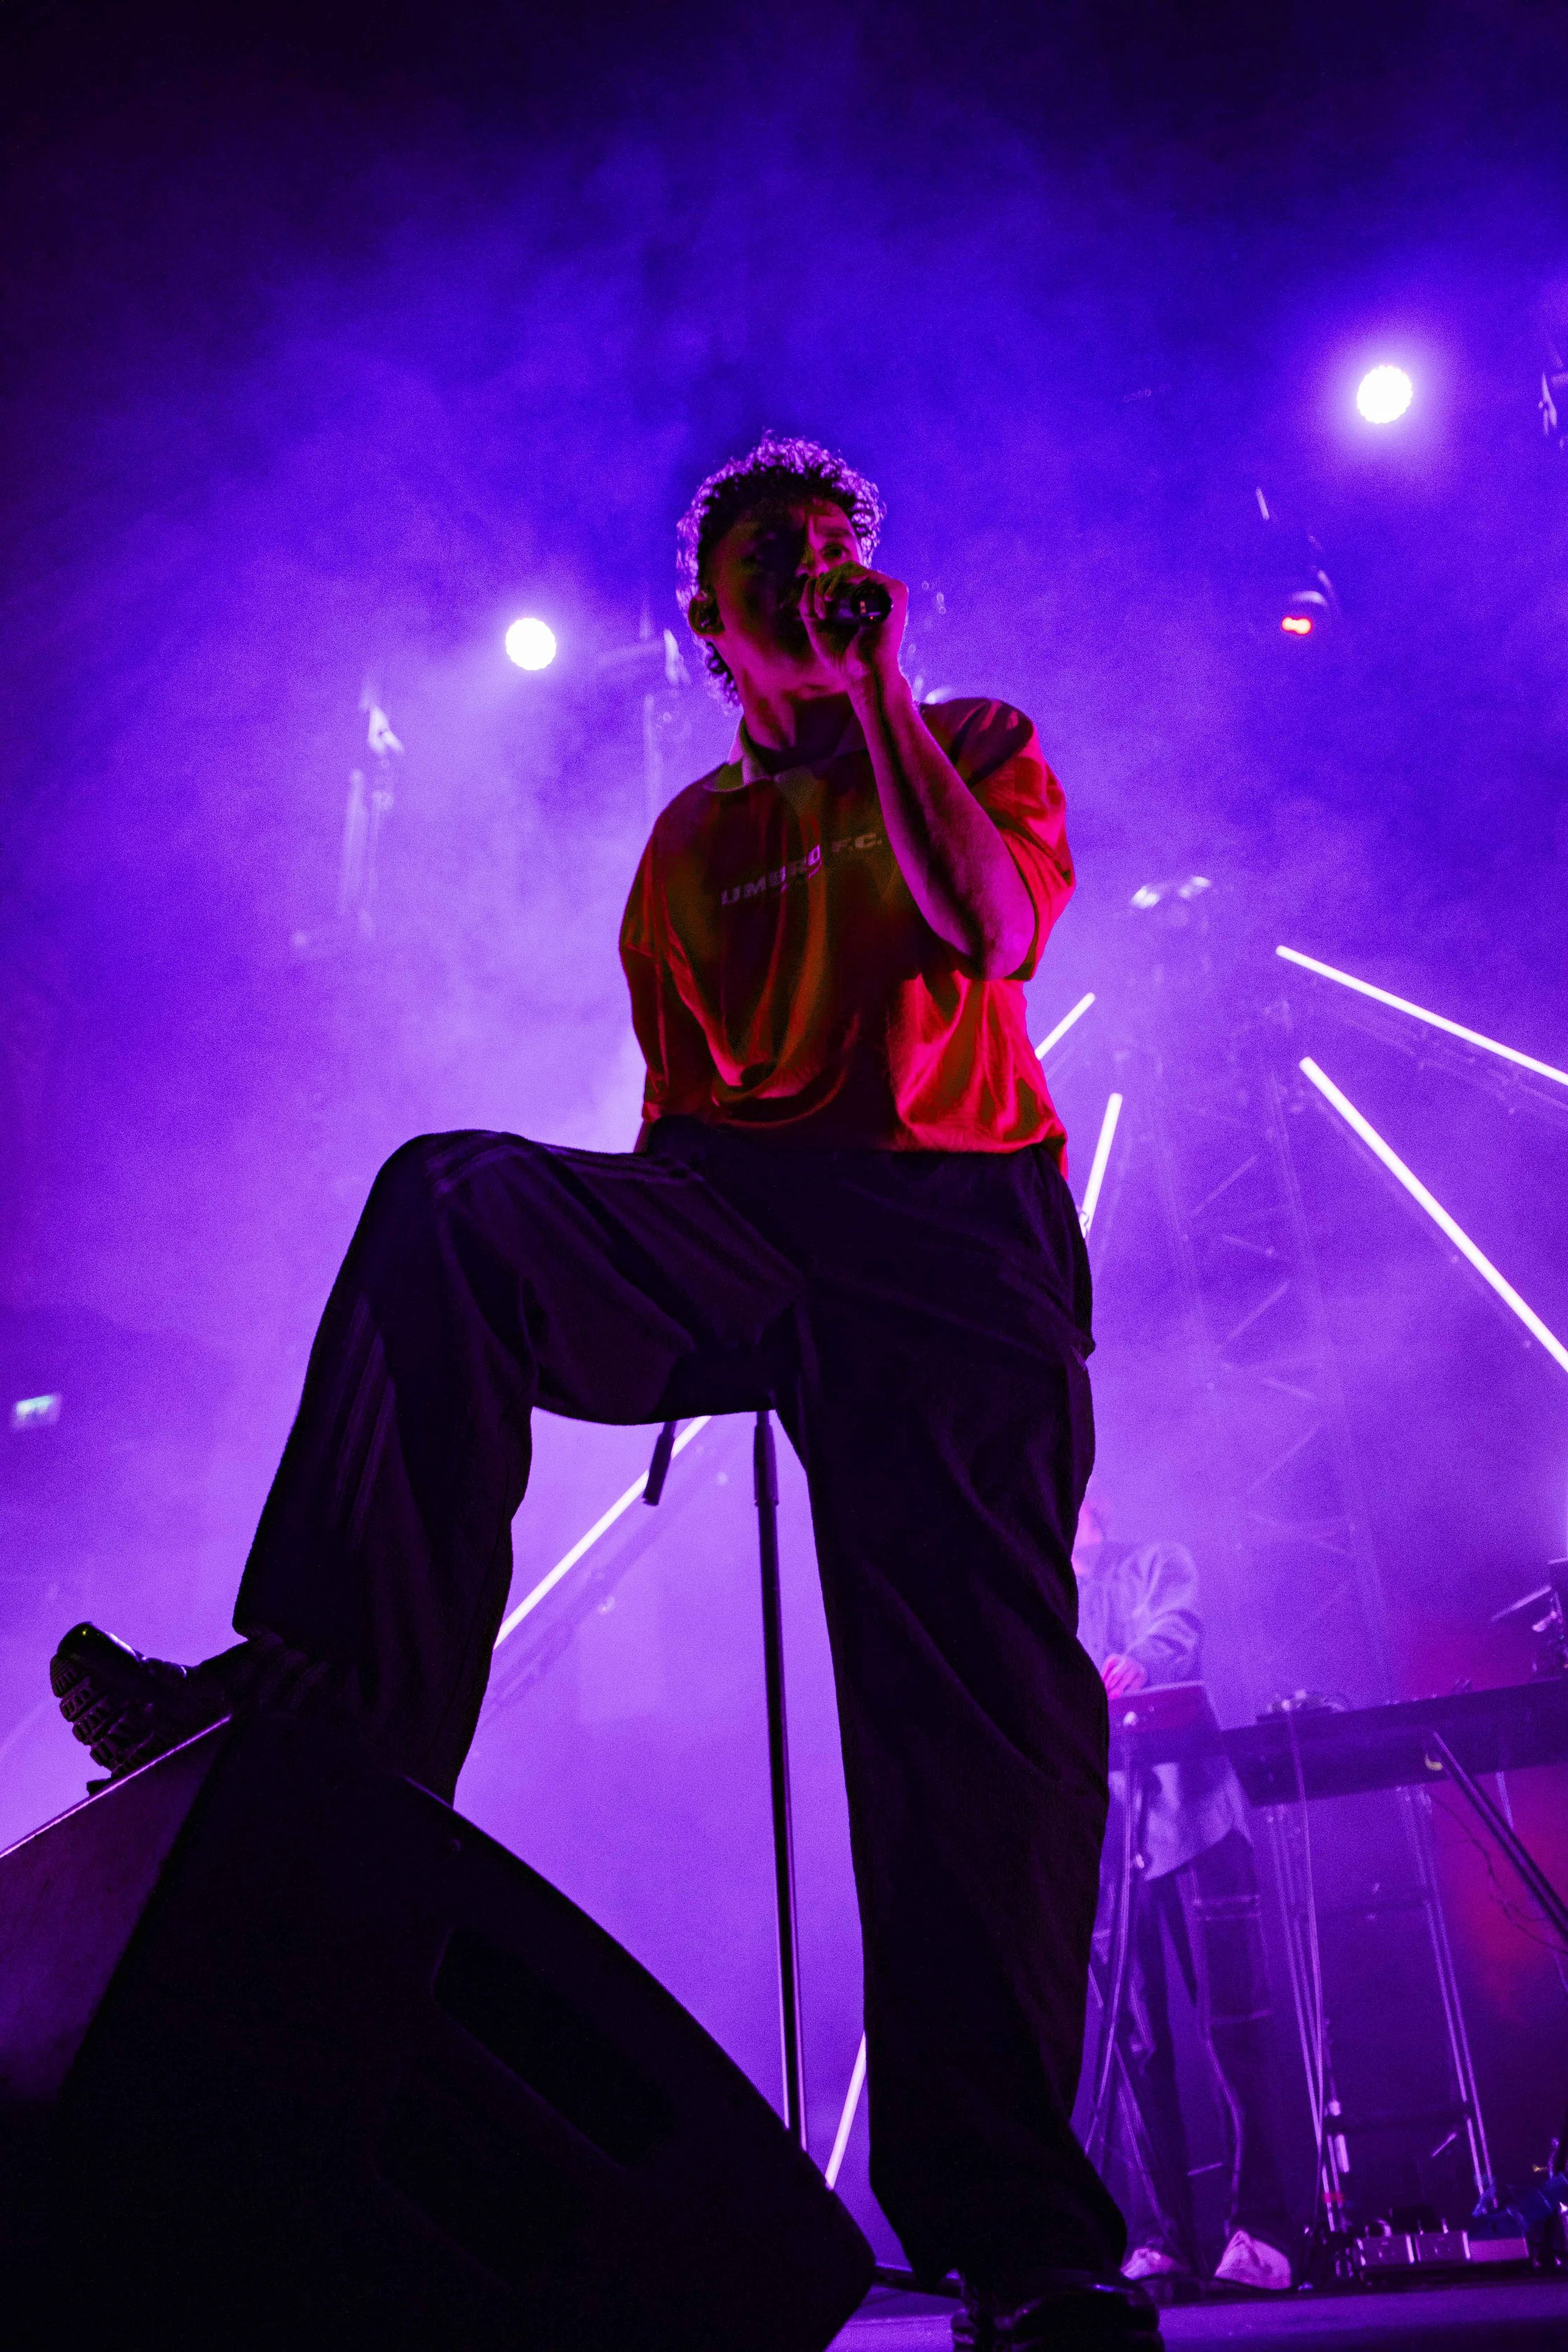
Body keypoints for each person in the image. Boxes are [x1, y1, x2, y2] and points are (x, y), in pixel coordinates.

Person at [51, 433, 1155, 2350]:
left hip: (951, 1242)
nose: (817, 576)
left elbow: (985, 934)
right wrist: (642, 1310)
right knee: (454, 1201)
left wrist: (874, 696)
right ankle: (326, 1731)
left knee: (963, 1724)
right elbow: (671, 1123)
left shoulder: (967, 732)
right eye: (778, 564)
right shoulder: (685, 848)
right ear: (708, 620)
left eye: (841, 552)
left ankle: (1021, 2241)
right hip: (740, 1213)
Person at [1071, 1490, 1293, 2297]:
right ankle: (1162, 2238)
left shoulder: (1155, 1560)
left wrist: (1143, 1662)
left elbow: (1177, 1629)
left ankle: (1261, 2230)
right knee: (1135, 2048)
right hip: (1105, 1843)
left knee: (1234, 2031)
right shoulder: (1038, 1589)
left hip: (1196, 1822)